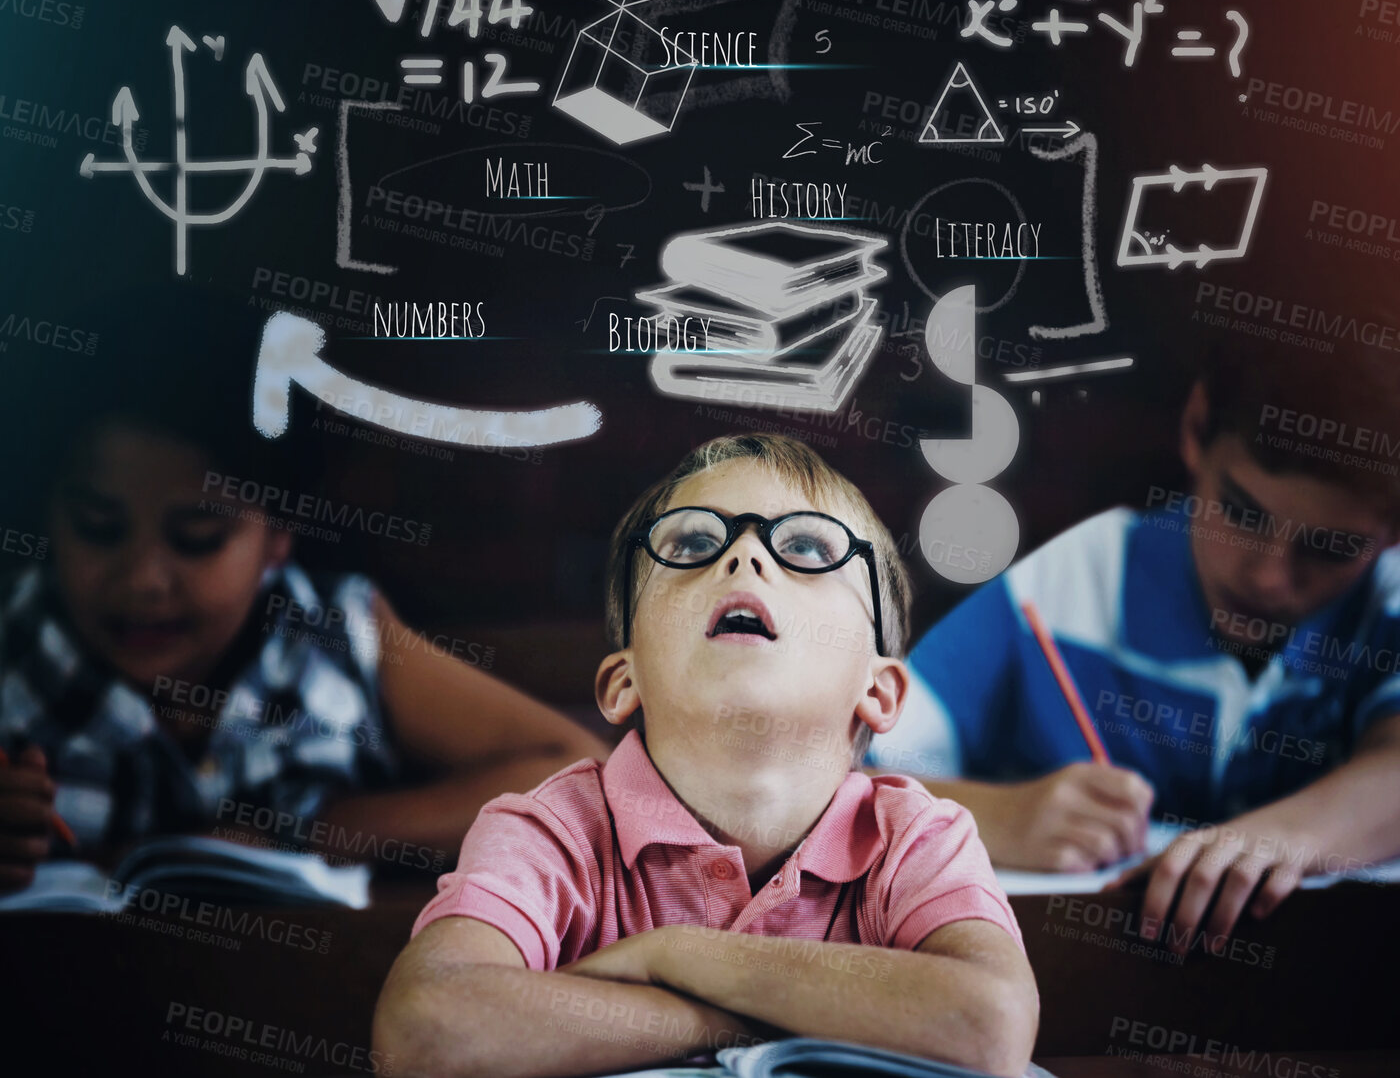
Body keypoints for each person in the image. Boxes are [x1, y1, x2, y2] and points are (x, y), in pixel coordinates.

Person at [374, 434, 1038, 1078]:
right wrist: (745, 1016)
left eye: (805, 546)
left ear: (879, 690)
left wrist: (673, 954)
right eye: (693, 543)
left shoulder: (916, 837)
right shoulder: (552, 830)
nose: (745, 554)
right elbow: (426, 1033)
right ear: (622, 681)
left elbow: (990, 1025)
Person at [0, 287, 607, 890]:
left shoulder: (336, 631)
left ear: (278, 536)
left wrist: (315, 833)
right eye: (97, 530)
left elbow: (577, 770)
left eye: (198, 538)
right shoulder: (16, 646)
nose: (141, 581)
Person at [872, 335, 1400, 955]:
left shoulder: (1387, 597)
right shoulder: (1062, 584)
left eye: (1331, 548)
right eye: (1243, 513)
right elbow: (843, 775)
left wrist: (1276, 841)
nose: (1268, 577)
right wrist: (996, 815)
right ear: (1197, 428)